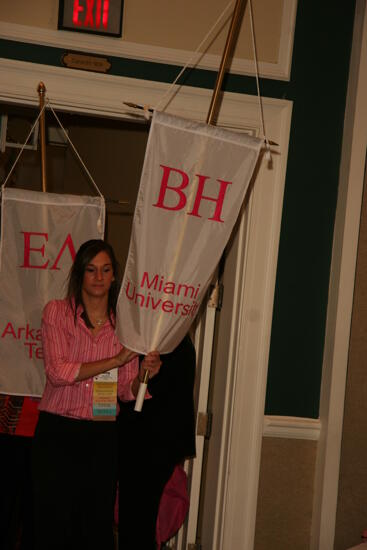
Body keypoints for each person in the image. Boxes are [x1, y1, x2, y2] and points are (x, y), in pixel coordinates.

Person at [31, 239, 161, 550]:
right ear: (80, 274)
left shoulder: (125, 325)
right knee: (51, 521)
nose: (99, 277)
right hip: (58, 432)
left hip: (102, 436)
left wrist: (145, 374)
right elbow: (59, 373)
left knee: (95, 523)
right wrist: (115, 361)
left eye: (105, 270)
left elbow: (126, 391)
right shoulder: (57, 312)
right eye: (91, 270)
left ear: (115, 275)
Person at [117, 333, 196, 549]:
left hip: (156, 440)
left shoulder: (176, 339)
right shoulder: (129, 325)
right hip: (127, 434)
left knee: (139, 526)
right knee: (130, 522)